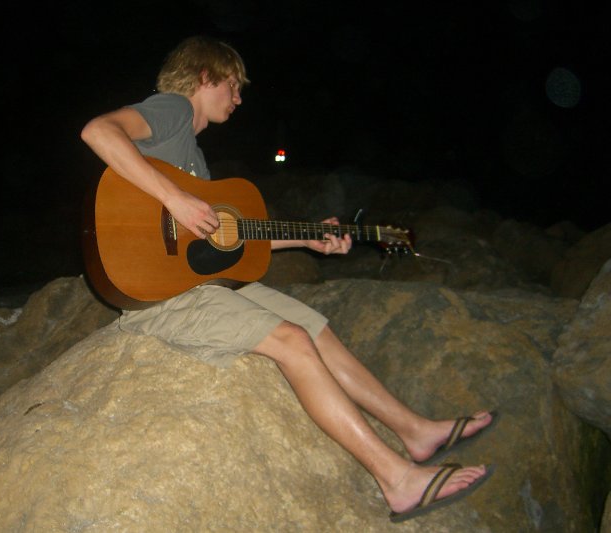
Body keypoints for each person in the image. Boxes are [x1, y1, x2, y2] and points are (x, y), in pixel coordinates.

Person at [80, 35, 496, 522]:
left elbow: (228, 241)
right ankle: (397, 479)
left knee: (316, 328)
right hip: (162, 298)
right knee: (292, 340)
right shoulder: (171, 110)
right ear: (205, 77)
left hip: (201, 286)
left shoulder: (191, 156)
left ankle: (414, 430)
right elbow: (98, 132)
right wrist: (174, 198)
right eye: (233, 87)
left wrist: (307, 238)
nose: (238, 100)